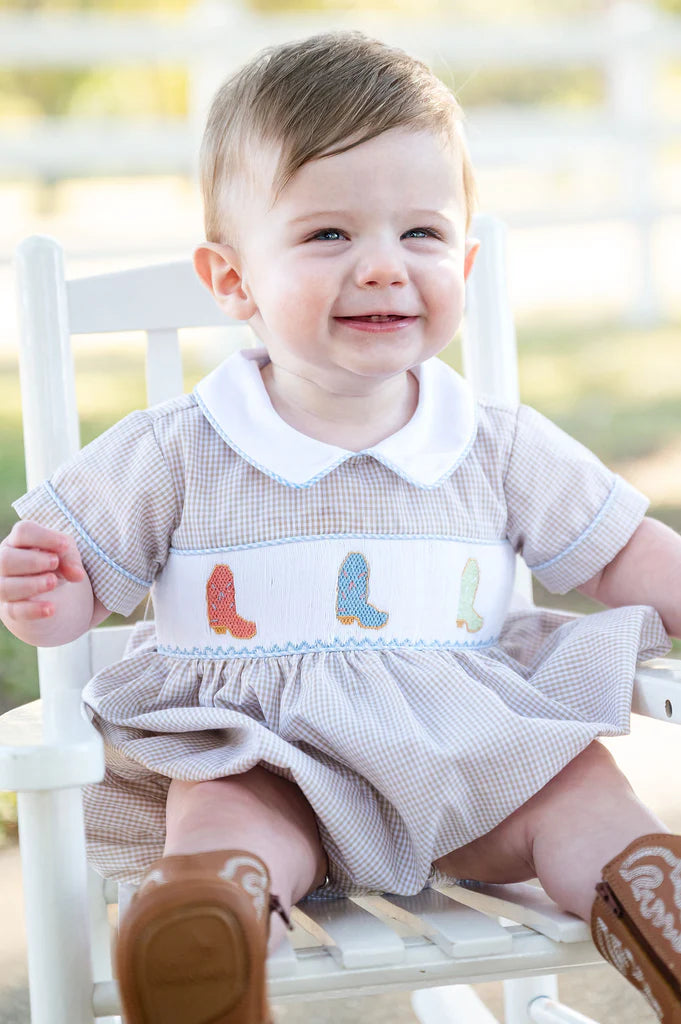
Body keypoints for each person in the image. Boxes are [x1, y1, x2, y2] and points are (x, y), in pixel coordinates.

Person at [1, 29, 681, 1024]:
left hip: (473, 757)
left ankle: (650, 902)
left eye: (422, 234)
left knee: (578, 793)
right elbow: (75, 592)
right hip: (267, 756)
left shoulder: (495, 442)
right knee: (224, 816)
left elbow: (623, 553)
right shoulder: (179, 446)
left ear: (465, 259)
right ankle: (211, 928)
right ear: (232, 280)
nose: (383, 268)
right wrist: (48, 597)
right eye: (329, 235)